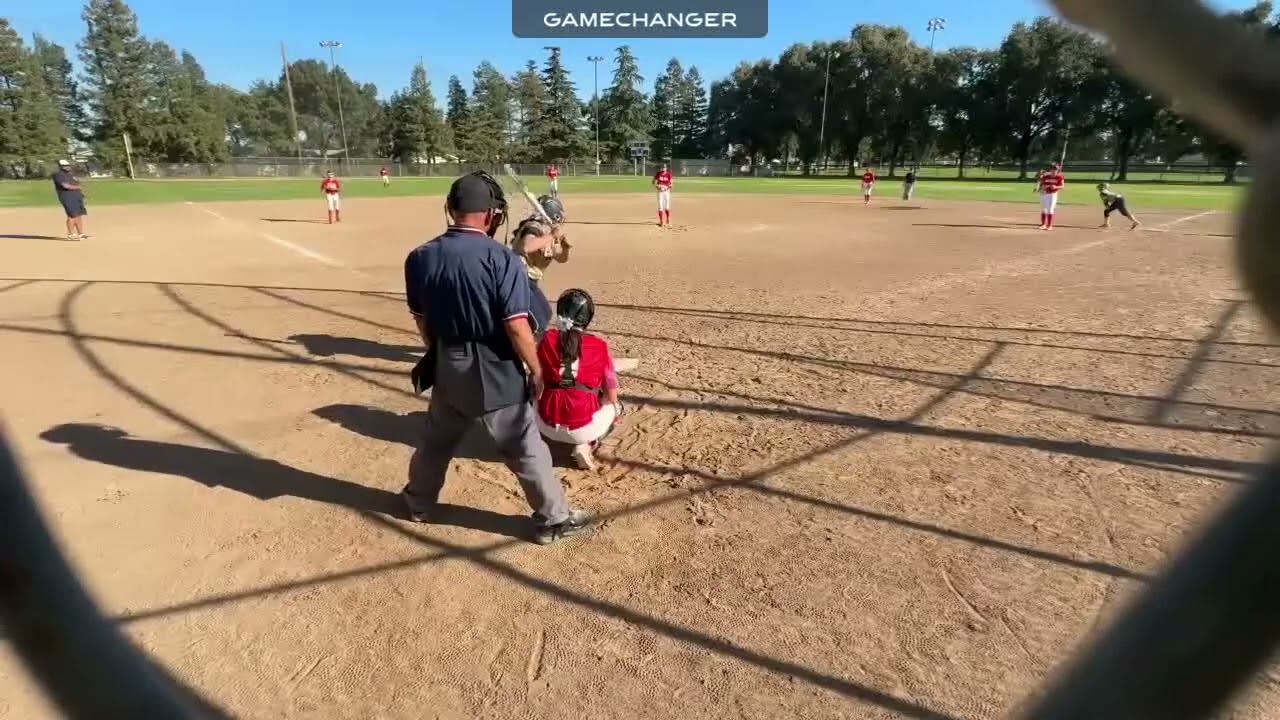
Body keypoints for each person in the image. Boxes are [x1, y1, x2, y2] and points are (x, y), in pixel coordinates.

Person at [401, 171, 589, 545]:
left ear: (451, 208)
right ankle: (554, 518)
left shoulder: (419, 256)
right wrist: (535, 370)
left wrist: (440, 355)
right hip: (493, 366)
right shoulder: (500, 258)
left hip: (447, 363)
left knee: (437, 441)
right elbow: (518, 325)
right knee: (525, 446)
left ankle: (417, 502)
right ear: (491, 215)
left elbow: (422, 320)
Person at [535, 289, 623, 471]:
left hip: (545, 424)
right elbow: (612, 395)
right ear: (587, 318)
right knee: (617, 406)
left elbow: (537, 380)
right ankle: (587, 444)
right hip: (583, 427)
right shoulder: (599, 346)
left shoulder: (546, 339)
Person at [510, 196, 571, 334]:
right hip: (517, 278)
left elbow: (560, 258)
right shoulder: (533, 226)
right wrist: (551, 236)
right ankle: (526, 351)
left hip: (530, 281)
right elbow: (527, 246)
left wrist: (565, 248)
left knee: (546, 314)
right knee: (539, 323)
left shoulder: (548, 231)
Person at [52, 160, 89, 240]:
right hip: (67, 197)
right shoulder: (59, 175)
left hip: (76, 196)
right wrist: (78, 187)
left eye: (68, 165)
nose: (67, 166)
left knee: (79, 215)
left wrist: (82, 196)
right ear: (60, 166)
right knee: (72, 216)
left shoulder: (70, 174)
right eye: (65, 165)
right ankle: (70, 234)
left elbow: (76, 184)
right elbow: (65, 185)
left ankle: (81, 234)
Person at [1036, 163, 1066, 230]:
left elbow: (1062, 186)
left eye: (1055, 169)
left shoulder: (1060, 177)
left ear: (1057, 170)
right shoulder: (1046, 177)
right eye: (1053, 169)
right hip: (1044, 194)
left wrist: (1056, 186)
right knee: (1044, 210)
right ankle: (1043, 224)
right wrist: (1048, 186)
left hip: (1053, 194)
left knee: (1050, 209)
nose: (1054, 171)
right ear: (1050, 170)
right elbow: (1043, 186)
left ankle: (1049, 226)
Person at [653, 162, 673, 227]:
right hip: (659, 192)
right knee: (660, 206)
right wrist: (658, 186)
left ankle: (667, 218)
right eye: (662, 167)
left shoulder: (669, 174)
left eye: (664, 167)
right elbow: (653, 182)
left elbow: (671, 184)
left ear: (666, 168)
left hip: (666, 192)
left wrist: (666, 187)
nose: (663, 168)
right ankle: (661, 221)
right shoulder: (658, 174)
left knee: (667, 207)